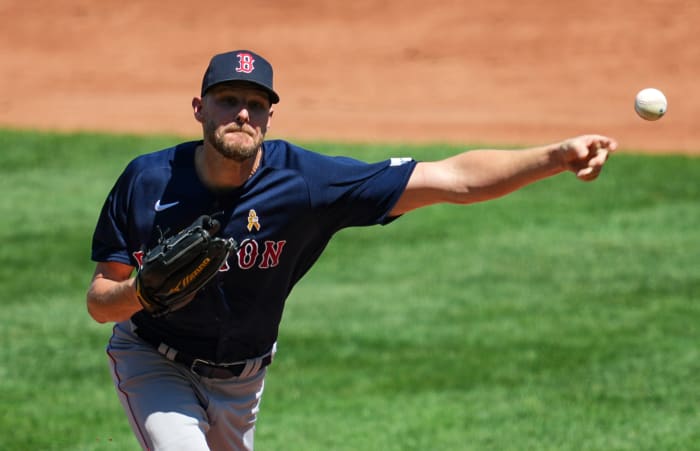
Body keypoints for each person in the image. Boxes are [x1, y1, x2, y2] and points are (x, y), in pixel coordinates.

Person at [86, 49, 617, 451]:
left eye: (256, 103)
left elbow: (451, 179)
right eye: (228, 100)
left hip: (244, 380)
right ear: (200, 109)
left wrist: (556, 155)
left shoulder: (304, 182)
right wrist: (141, 292)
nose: (243, 114)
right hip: (155, 361)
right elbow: (100, 302)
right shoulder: (148, 180)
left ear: (271, 118)